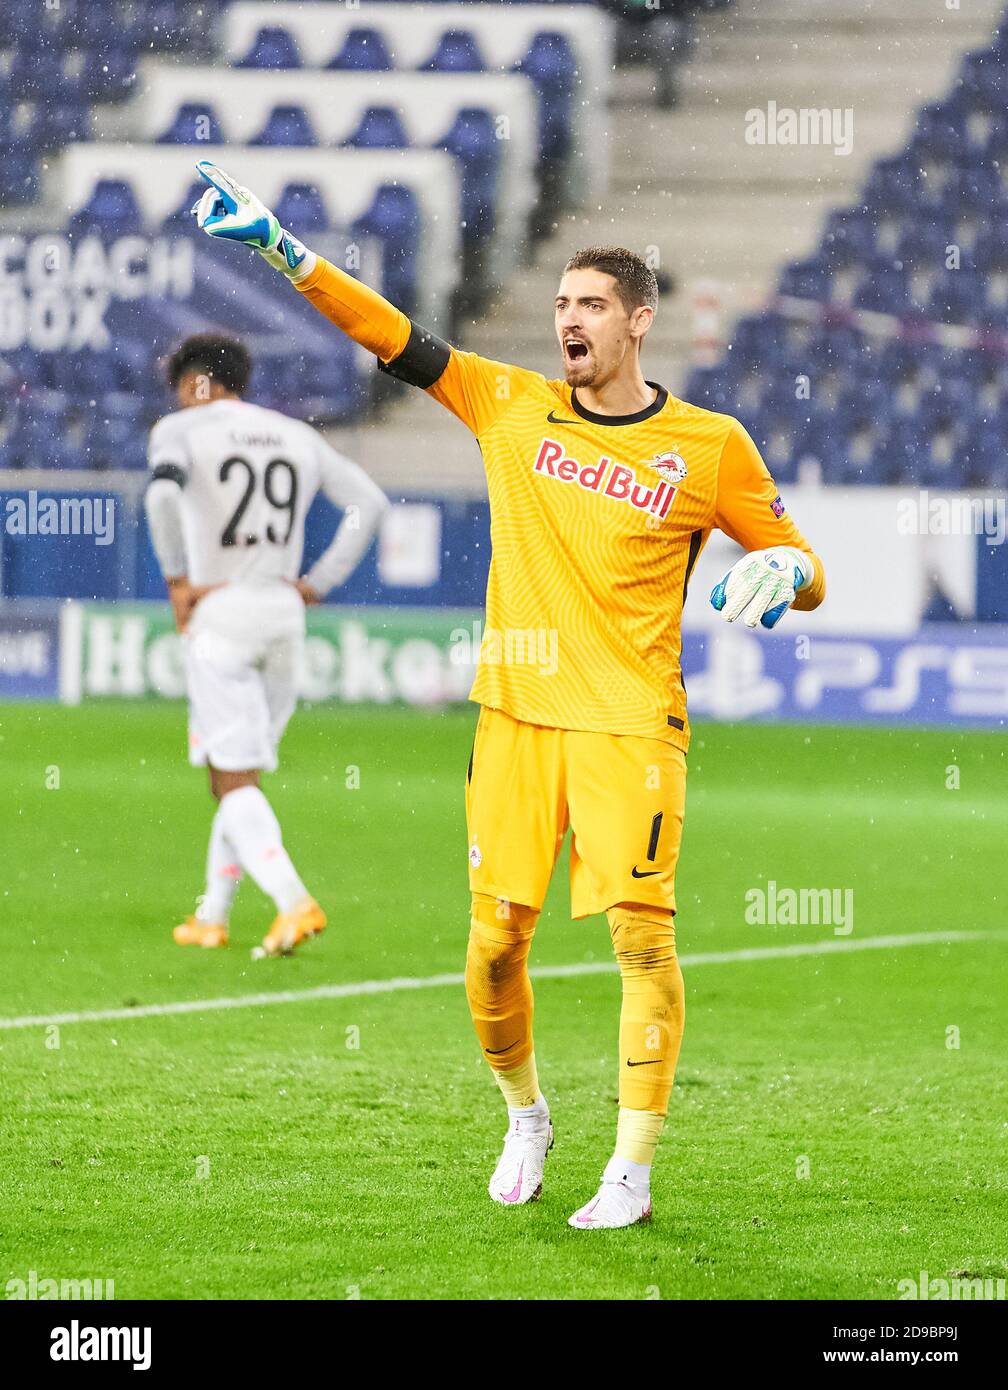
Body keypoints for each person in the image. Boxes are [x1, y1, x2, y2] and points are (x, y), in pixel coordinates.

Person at [189, 161, 826, 1225]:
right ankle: (526, 1113)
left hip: (631, 723)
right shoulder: (508, 404)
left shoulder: (709, 448)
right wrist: (284, 251)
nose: (568, 320)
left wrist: (787, 573)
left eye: (589, 305)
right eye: (562, 302)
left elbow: (803, 566)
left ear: (637, 323)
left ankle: (631, 1167)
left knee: (643, 940)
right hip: (516, 718)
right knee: (492, 949)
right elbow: (393, 336)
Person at [145, 331, 389, 957]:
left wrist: (177, 579)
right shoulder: (294, 435)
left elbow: (163, 495)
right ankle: (212, 915)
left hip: (221, 611)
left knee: (233, 779)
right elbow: (368, 503)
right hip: (283, 614)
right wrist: (318, 583)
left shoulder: (181, 430)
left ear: (192, 381)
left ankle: (292, 902)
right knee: (238, 778)